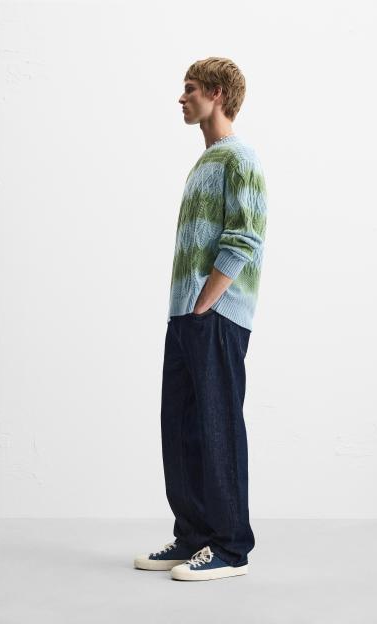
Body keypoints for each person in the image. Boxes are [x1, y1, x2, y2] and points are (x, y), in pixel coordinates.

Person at [134, 57, 268, 581]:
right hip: (186, 316)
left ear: (216, 94)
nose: (181, 98)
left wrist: (206, 303)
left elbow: (245, 236)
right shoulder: (205, 163)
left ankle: (231, 548)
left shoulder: (240, 157)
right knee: (181, 427)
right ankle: (193, 536)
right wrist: (187, 310)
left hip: (216, 316)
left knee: (217, 427)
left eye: (189, 89)